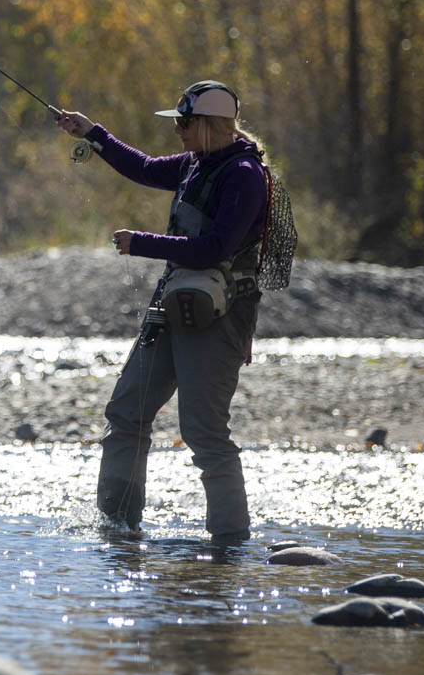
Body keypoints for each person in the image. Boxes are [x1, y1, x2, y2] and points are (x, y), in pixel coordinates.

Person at [54, 81, 271, 546]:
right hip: (172, 301)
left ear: (210, 125)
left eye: (184, 124)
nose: (178, 132)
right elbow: (146, 168)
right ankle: (118, 528)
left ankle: (230, 545)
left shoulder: (245, 176)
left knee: (204, 432)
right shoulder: (198, 163)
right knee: (126, 412)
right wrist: (93, 133)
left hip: (222, 314)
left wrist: (142, 243)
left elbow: (217, 247)